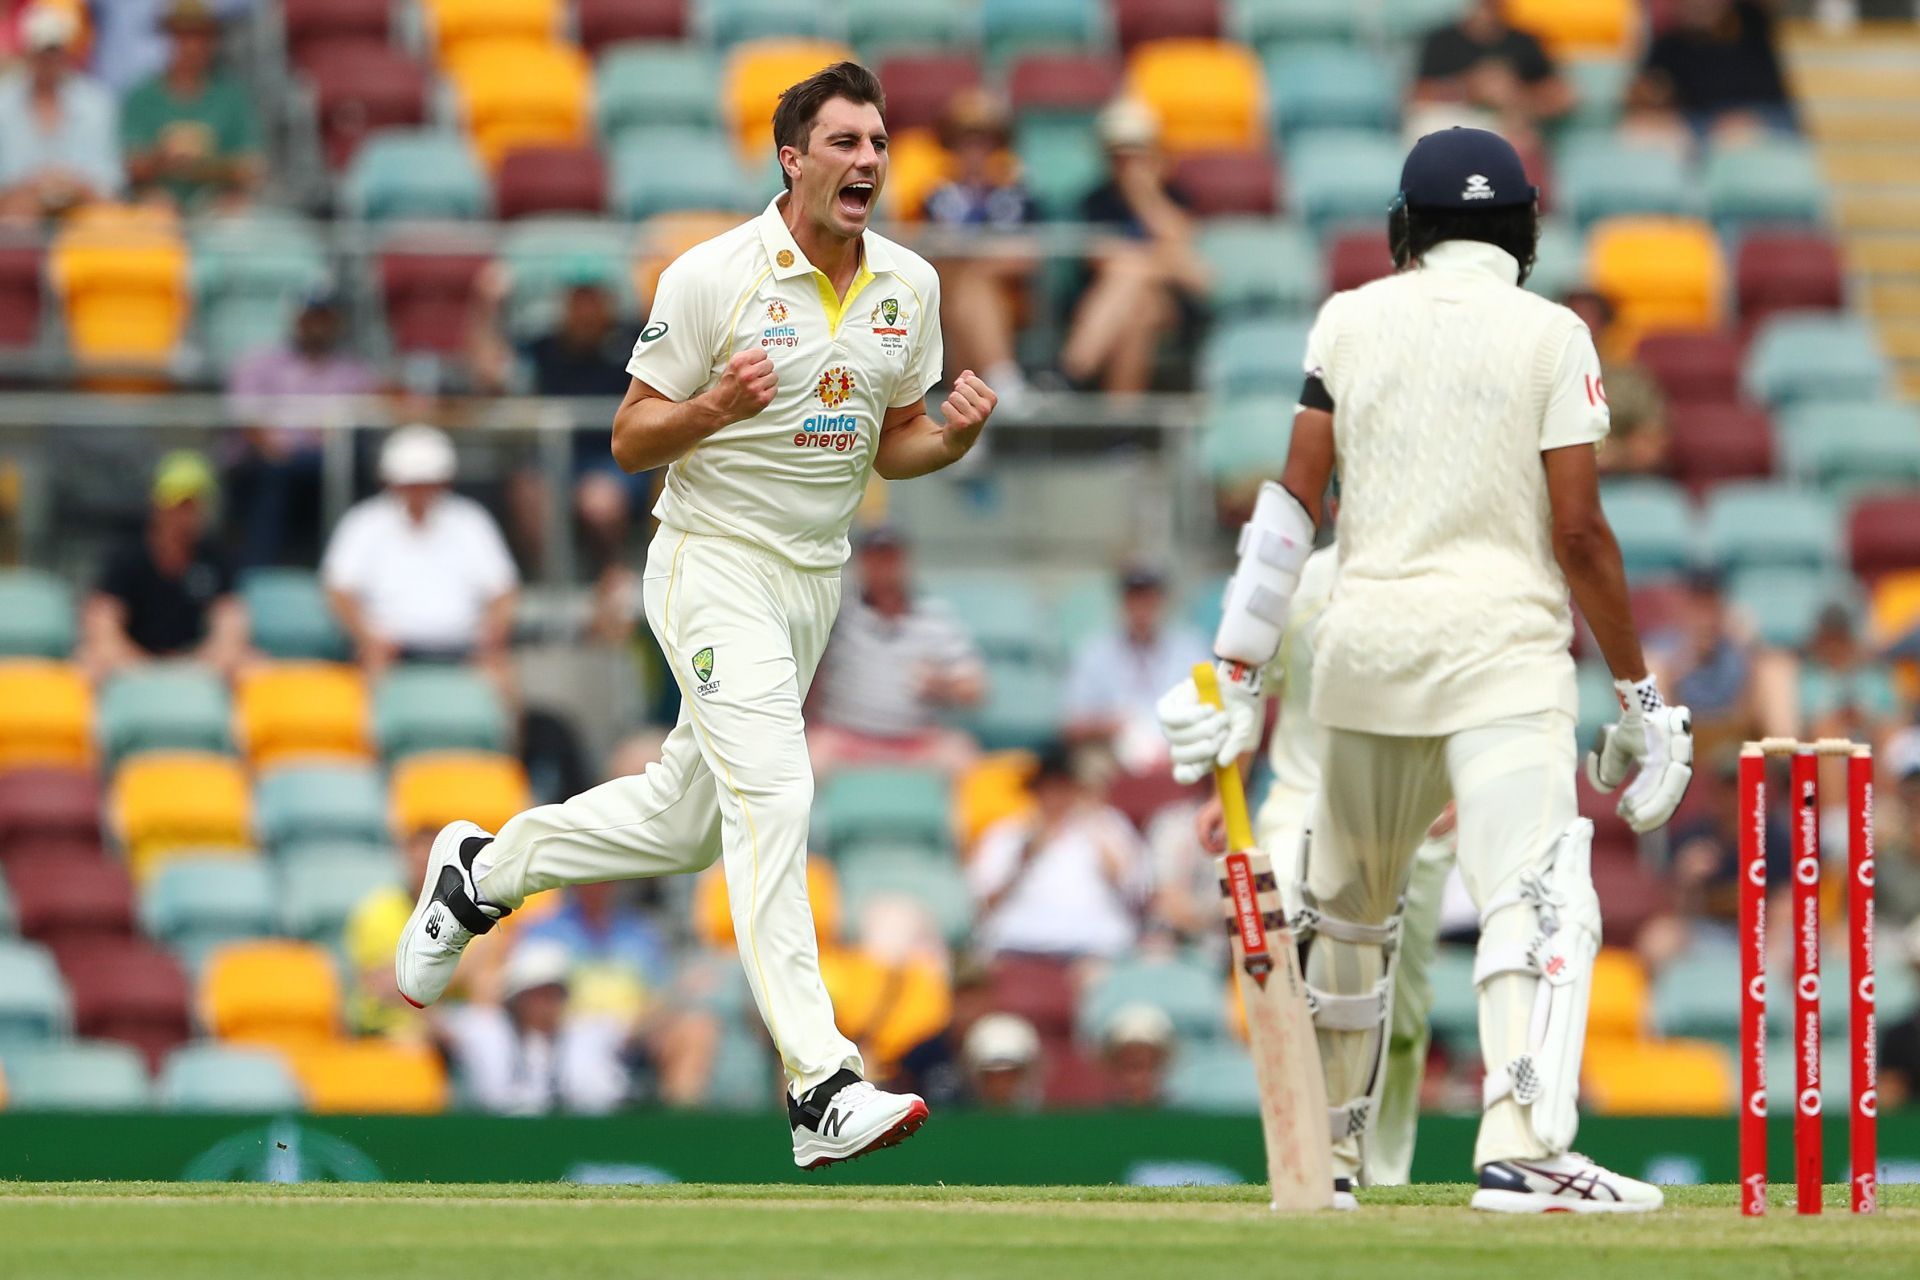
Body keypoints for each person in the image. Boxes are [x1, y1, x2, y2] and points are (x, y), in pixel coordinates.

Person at [389, 62, 995, 1170]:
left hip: (811, 582)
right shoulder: (713, 275)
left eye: (878, 142)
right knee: (777, 792)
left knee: (684, 823)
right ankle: (819, 1081)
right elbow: (630, 437)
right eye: (846, 142)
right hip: (708, 563)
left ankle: (481, 869)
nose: (868, 160)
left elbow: (893, 442)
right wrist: (717, 403)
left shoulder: (909, 284)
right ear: (793, 158)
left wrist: (948, 437)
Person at [1157, 128, 1692, 1212]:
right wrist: (1642, 697)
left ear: (1408, 229)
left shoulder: (1348, 318)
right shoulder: (1555, 334)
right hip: (1500, 651)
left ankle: (1336, 1162)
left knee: (1350, 914)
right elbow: (1580, 532)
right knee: (1536, 890)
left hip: (1365, 649)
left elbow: (1294, 503)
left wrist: (1235, 669)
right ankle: (1527, 1145)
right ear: (1526, 229)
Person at [1159, 541, 1456, 1192]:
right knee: (1303, 961)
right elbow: (1246, 689)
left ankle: (1385, 1174)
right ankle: (1315, 1161)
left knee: (1401, 1022)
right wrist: (1225, 785)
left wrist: (1459, 781)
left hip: (1410, 811)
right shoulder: (1294, 582)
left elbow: (1466, 691)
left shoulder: (1439, 578)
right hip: (1301, 798)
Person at [466, 260, 651, 578]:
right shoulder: (544, 345)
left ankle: (610, 577)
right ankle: (553, 584)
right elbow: (492, 375)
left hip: (617, 456)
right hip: (556, 456)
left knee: (600, 502)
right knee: (527, 493)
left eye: (594, 300)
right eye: (578, 301)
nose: (586, 310)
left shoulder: (633, 340)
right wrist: (485, 307)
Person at [321, 424, 519, 695]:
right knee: (367, 688)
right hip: (389, 649)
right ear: (391, 481)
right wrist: (367, 636)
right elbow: (338, 591)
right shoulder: (364, 522)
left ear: (443, 481)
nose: (418, 491)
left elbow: (504, 590)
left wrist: (493, 633)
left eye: (426, 482)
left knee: (504, 681)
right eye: (410, 483)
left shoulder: (471, 520)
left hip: (464, 645)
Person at [807, 523, 984, 779]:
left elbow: (974, 689)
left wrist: (941, 686)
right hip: (844, 737)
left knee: (966, 761)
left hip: (917, 740)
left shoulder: (935, 616)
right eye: (876, 559)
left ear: (905, 561)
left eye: (890, 558)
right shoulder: (838, 612)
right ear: (862, 564)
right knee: (805, 761)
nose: (884, 568)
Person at [1059, 98, 1207, 394]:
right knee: (1137, 311)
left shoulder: (1176, 198)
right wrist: (1157, 261)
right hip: (1111, 301)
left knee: (1129, 274)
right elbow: (1099, 261)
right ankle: (1121, 430)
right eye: (1120, 157)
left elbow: (1192, 273)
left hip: (1170, 306)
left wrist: (1143, 198)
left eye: (1137, 156)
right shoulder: (1095, 203)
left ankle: (1071, 372)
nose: (1128, 167)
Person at [225, 287, 381, 567]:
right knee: (273, 474)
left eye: (324, 318)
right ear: (296, 319)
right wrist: (272, 447)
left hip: (324, 463)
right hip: (266, 462)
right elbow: (246, 418)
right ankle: (259, 569)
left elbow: (363, 415)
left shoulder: (352, 371)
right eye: (311, 318)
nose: (317, 327)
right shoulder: (261, 362)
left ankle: (345, 567)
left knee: (353, 465)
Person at [968, 742, 1152, 963]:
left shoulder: (1108, 825)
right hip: (1020, 942)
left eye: (1062, 788)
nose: (1054, 797)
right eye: (1046, 789)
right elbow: (985, 901)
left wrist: (1094, 829)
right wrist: (1025, 857)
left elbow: (1133, 888)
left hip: (1095, 944)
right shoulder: (1008, 833)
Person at [80, 451, 251, 682]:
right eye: (179, 504)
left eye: (194, 505)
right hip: (133, 662)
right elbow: (103, 626)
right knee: (88, 664)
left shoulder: (215, 557)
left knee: (253, 668)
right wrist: (142, 669)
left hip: (198, 663)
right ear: (157, 505)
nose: (186, 516)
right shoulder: (127, 556)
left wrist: (198, 667)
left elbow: (230, 626)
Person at [920, 88, 1039, 408]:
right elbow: (929, 258)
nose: (974, 150)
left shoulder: (1015, 194)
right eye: (965, 140)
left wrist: (973, 263)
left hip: (1010, 299)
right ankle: (1003, 379)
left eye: (983, 141)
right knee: (964, 294)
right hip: (950, 295)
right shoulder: (936, 197)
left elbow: (1026, 258)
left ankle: (967, 419)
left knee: (969, 290)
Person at [436, 940, 636, 1115]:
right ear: (517, 996)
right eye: (537, 992)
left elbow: (644, 1027)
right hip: (499, 1138)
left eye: (554, 992)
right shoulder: (485, 1028)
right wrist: (460, 971)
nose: (546, 1002)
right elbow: (419, 1005)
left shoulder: (588, 1032)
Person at [119, 0, 262, 211]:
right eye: (183, 35)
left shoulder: (231, 96)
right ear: (169, 38)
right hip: (157, 208)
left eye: (200, 35)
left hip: (216, 209)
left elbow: (250, 169)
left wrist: (205, 162)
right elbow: (132, 167)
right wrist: (164, 156)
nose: (192, 46)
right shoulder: (142, 96)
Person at [1062, 565, 1207, 772]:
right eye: (1135, 597)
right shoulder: (1095, 651)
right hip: (1113, 753)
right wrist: (1112, 726)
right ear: (1123, 601)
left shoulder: (1190, 646)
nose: (1142, 606)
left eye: (1148, 597)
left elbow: (1212, 710)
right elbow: (1071, 727)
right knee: (1089, 764)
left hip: (1180, 747)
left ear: (1161, 600)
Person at [0, 4, 122, 222]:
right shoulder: (4, 102)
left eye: (53, 52)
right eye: (41, 53)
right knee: (17, 213)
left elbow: (109, 188)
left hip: (81, 223)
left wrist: (73, 187)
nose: (47, 62)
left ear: (66, 54)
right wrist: (31, 189)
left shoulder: (96, 103)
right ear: (27, 53)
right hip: (17, 227)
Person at [1409, 0, 1574, 141]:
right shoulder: (1441, 41)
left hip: (1511, 123)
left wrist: (1515, 94)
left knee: (1520, 136)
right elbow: (1417, 96)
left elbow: (1563, 97)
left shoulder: (1525, 42)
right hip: (1455, 120)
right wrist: (1470, 88)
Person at [1635, 0, 1797, 138]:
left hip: (1770, 121)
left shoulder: (1756, 23)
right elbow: (1650, 91)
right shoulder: (1670, 46)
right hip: (1704, 130)